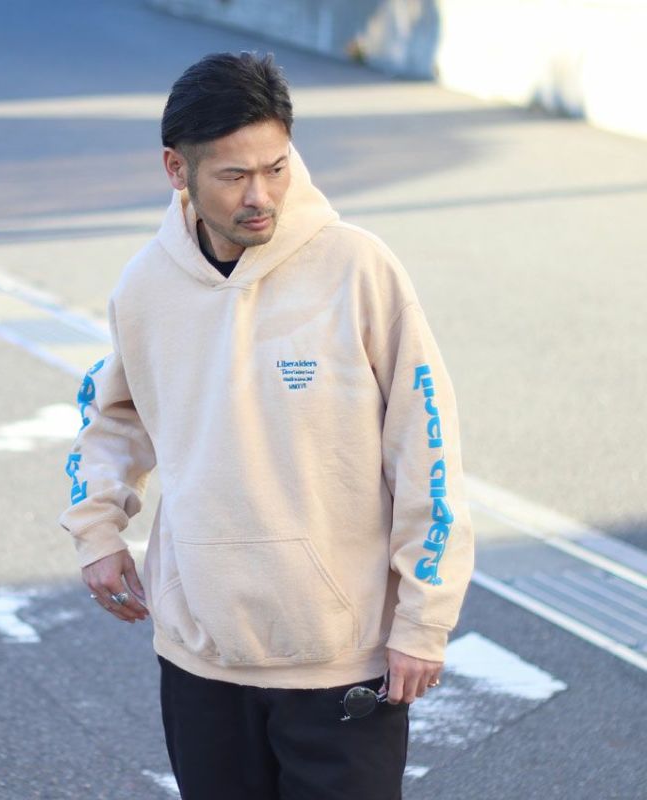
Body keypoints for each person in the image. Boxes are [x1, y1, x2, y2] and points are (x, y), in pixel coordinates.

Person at [59, 51, 474, 800]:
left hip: (342, 659)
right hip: (201, 655)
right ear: (176, 169)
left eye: (275, 168)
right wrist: (96, 529)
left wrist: (424, 620)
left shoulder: (357, 268)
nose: (261, 196)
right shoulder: (147, 285)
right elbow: (112, 413)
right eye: (233, 176)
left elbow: (427, 446)